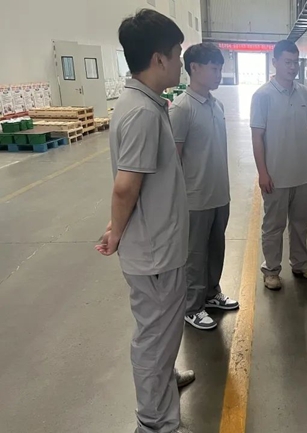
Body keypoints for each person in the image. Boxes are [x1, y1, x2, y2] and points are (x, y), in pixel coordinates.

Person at [96, 9, 194, 433]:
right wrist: (116, 232)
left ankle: (163, 383)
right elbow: (125, 187)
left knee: (163, 332)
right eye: (177, 53)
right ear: (158, 59)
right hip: (155, 254)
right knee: (154, 339)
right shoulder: (142, 113)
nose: (180, 62)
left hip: (159, 245)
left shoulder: (145, 104)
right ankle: (155, 423)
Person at [169, 43, 239, 331]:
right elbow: (173, 160)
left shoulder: (216, 105)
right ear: (194, 68)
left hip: (219, 193)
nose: (218, 74)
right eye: (213, 68)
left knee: (215, 248)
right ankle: (192, 307)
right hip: (195, 198)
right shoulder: (182, 109)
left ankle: (211, 294)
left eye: (220, 68)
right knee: (195, 255)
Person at [250, 40, 307, 290]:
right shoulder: (262, 96)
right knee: (273, 226)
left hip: (303, 175)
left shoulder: (305, 94)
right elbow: (257, 137)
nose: (292, 67)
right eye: (288, 62)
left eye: (295, 62)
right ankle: (271, 270)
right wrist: (263, 173)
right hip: (276, 176)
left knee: (300, 224)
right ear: (275, 62)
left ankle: (300, 263)